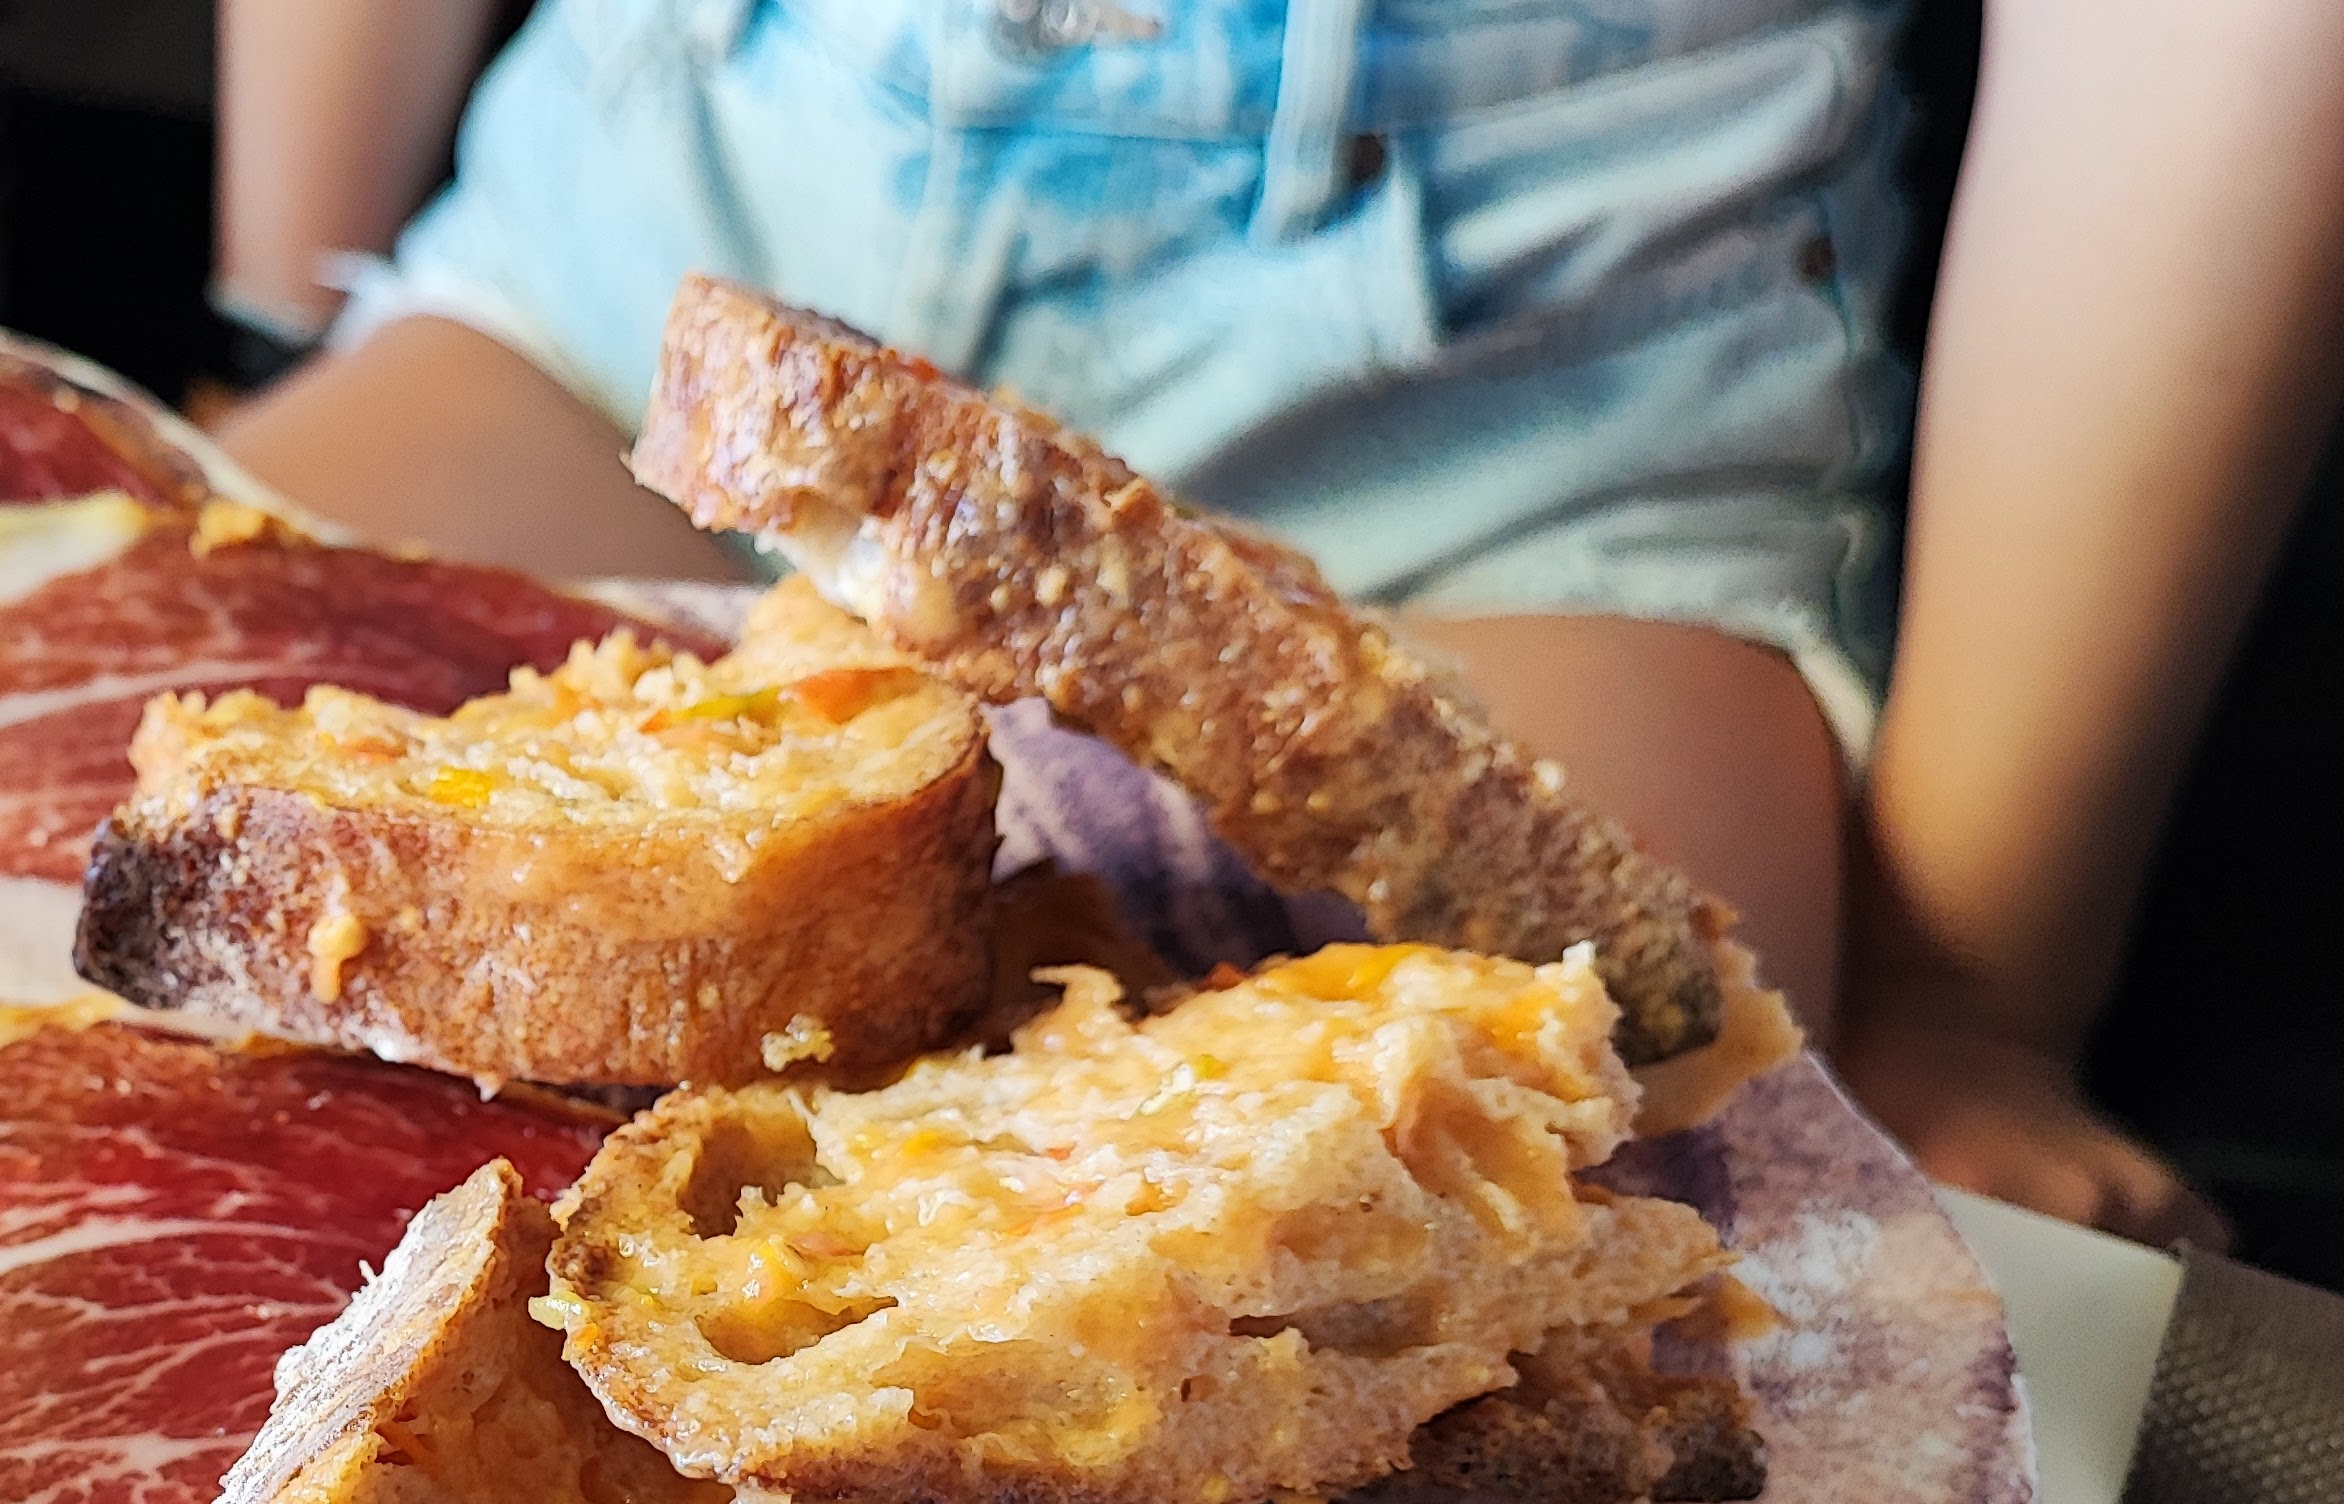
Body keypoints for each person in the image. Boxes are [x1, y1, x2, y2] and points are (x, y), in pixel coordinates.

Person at [210, 0, 2344, 1252]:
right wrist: (275, 325)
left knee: (1521, 1190)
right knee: (182, 942)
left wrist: (1970, 996)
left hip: (1530, 430)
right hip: (638, 284)